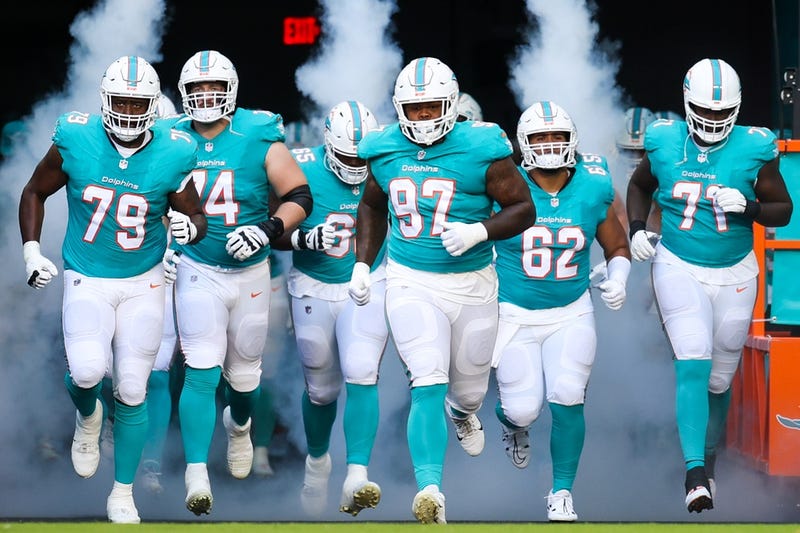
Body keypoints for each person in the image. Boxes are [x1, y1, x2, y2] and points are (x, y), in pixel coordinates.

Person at [18, 55, 207, 523]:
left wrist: (191, 227)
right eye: (120, 101)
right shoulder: (76, 136)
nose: (127, 111)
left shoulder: (175, 150)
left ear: (152, 106)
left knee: (133, 387)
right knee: (86, 373)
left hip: (144, 280)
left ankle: (123, 493)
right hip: (87, 274)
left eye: (136, 103)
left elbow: (196, 214)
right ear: (104, 100)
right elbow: (35, 191)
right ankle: (88, 417)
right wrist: (31, 251)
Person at [348, 56, 536, 524]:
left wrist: (480, 230)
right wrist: (362, 263)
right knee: (427, 378)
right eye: (415, 108)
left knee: (468, 392)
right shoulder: (384, 147)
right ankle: (430, 489)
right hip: (410, 279)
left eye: (432, 106)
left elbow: (524, 208)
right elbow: (371, 206)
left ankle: (462, 411)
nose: (424, 116)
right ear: (399, 109)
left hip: (473, 282)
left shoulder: (482, 145)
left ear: (451, 104)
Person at [626, 58, 793, 514]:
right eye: (705, 110)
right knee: (693, 360)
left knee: (720, 379)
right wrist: (637, 229)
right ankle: (694, 473)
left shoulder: (755, 146)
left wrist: (751, 207)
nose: (714, 119)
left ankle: (710, 458)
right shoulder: (664, 139)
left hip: (735, 271)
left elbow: (784, 209)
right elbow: (639, 185)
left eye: (722, 112)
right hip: (678, 263)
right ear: (687, 103)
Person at [168, 49, 311, 517]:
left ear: (231, 91)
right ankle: (196, 472)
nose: (207, 96)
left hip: (251, 271)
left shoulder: (257, 131)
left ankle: (241, 426)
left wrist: (267, 229)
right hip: (197, 268)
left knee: (245, 378)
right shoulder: (170, 136)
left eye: (215, 87)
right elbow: (149, 198)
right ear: (184, 93)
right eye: (198, 88)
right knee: (201, 368)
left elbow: (299, 195)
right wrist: (167, 243)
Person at [492, 100, 631, 522]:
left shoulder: (592, 182)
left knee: (568, 395)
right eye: (541, 137)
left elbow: (616, 243)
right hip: (513, 313)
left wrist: (619, 275)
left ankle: (562, 492)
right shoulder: (504, 183)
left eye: (558, 136)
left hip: (571, 311)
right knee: (521, 409)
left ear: (573, 140)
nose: (550, 144)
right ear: (524, 143)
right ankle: (512, 426)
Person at [272, 100, 389, 518]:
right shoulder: (301, 166)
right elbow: (271, 227)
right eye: (347, 156)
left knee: (362, 371)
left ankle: (357, 474)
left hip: (367, 281)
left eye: (362, 157)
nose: (356, 165)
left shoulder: (387, 164)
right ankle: (317, 461)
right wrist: (304, 239)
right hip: (313, 285)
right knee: (321, 391)